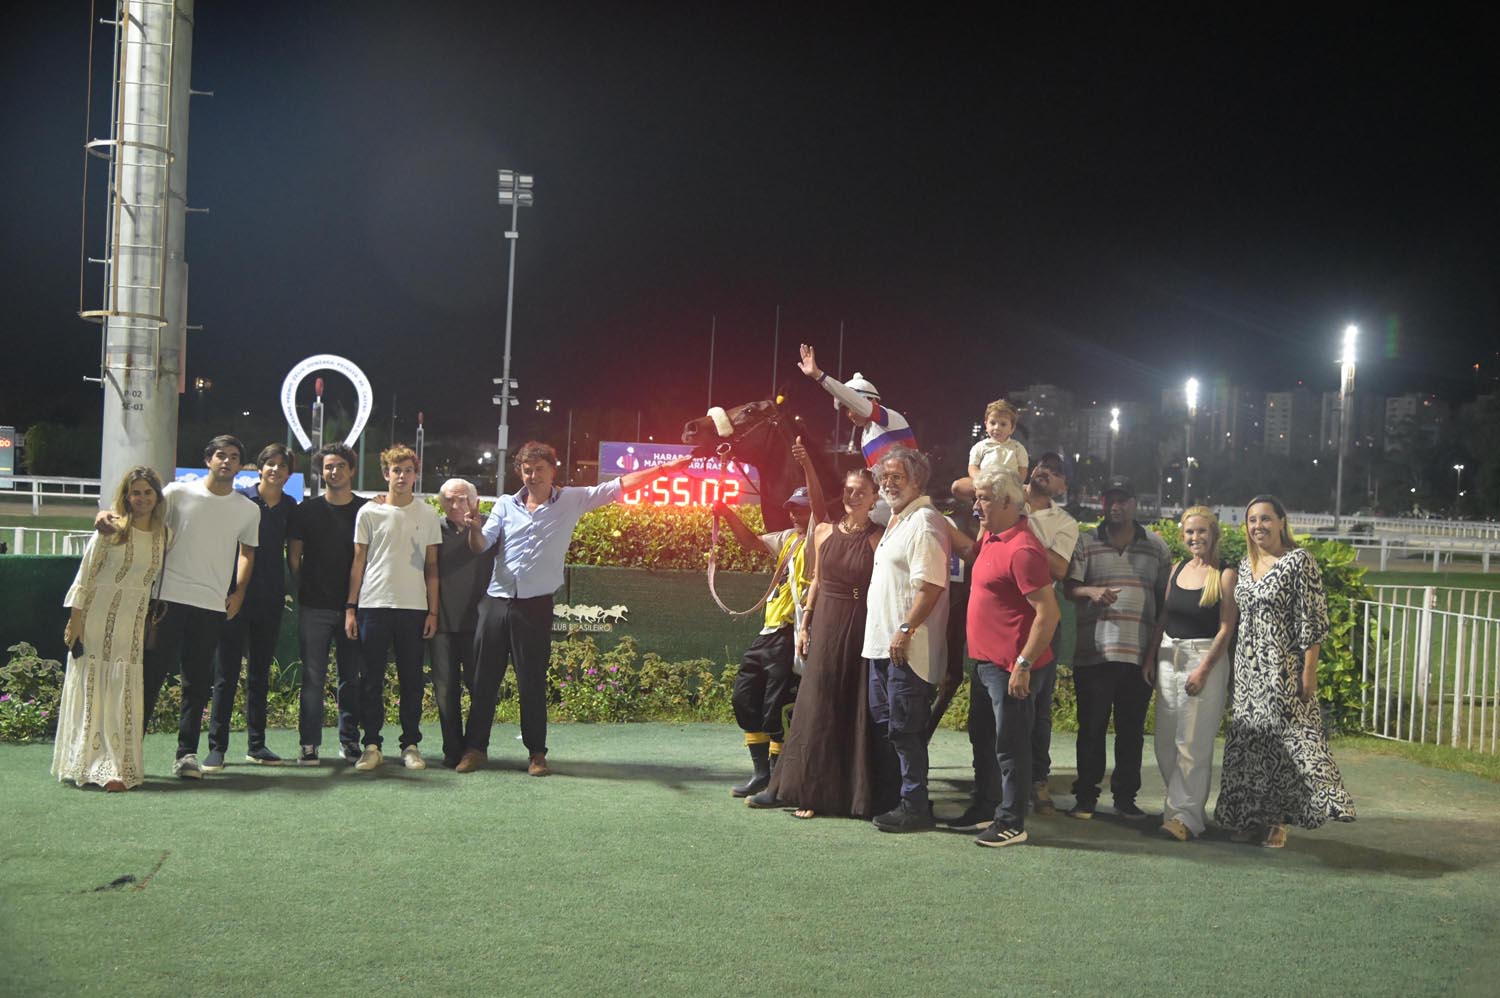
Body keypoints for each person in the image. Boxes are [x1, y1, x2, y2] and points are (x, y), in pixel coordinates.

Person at [459, 442, 693, 776]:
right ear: (520, 472)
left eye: (540, 469)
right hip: (496, 603)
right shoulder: (504, 505)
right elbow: (481, 546)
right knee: (483, 680)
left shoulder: (572, 499)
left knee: (531, 682)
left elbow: (619, 486)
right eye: (527, 470)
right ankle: (475, 749)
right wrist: (473, 529)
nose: (533, 476)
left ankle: (536, 754)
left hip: (535, 607)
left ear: (553, 470)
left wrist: (665, 470)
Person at [111, 436, 260, 779]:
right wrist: (110, 517)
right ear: (208, 459)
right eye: (220, 455)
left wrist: (238, 592)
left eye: (233, 457)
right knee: (149, 678)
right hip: (166, 601)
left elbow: (247, 553)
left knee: (196, 684)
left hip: (210, 606)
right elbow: (143, 519)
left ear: (240, 466)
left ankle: (186, 755)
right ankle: (127, 753)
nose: (226, 461)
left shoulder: (248, 510)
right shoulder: (177, 493)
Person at [1215, 495, 1355, 848]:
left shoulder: (1298, 561)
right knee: (1249, 745)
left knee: (1284, 745)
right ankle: (1249, 818)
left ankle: (1279, 821)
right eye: (1252, 520)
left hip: (1282, 668)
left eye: (1265, 519)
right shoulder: (1245, 564)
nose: (1258, 526)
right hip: (1247, 672)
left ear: (1281, 521)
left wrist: (1309, 672)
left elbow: (1312, 621)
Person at [950, 451, 1077, 827]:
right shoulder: (991, 536)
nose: (976, 505)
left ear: (1008, 502)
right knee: (984, 740)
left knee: (1011, 746)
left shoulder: (1023, 549)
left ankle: (1011, 822)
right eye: (977, 498)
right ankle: (985, 807)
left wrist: (1023, 664)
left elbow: (1049, 614)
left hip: (1011, 666)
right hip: (985, 662)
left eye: (984, 499)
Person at [749, 469, 885, 818]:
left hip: (859, 623)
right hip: (824, 621)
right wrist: (805, 625)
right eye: (849, 490)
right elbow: (818, 582)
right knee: (815, 703)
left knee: (849, 703)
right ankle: (800, 788)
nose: (853, 496)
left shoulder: (878, 537)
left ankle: (841, 795)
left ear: (874, 498)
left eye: (861, 491)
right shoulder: (824, 531)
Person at [52, 467, 168, 791]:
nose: (142, 498)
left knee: (121, 689)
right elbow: (85, 574)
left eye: (148, 492)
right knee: (92, 688)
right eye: (136, 492)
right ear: (126, 496)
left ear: (157, 496)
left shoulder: (164, 535)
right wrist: (76, 621)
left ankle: (117, 766)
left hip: (131, 624)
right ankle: (86, 763)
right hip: (95, 618)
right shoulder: (110, 528)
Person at [1063, 474, 1171, 820]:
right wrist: (1091, 592)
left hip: (1138, 655)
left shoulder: (1156, 547)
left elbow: (1164, 603)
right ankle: (1086, 796)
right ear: (1103, 502)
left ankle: (1125, 798)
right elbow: (1069, 588)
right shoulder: (1086, 542)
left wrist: (1154, 654)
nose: (1116, 506)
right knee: (1091, 728)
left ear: (1134, 504)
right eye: (1110, 499)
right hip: (1094, 653)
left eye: (1123, 500)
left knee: (1131, 732)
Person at [864, 446, 950, 833]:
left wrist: (904, 630)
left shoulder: (925, 522)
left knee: (906, 731)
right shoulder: (898, 520)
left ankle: (915, 807)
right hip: (883, 647)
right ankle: (900, 800)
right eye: (884, 477)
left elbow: (930, 586)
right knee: (892, 729)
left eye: (897, 477)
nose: (888, 483)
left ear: (917, 480)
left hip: (907, 650)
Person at [717, 479, 819, 801]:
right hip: (768, 633)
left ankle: (777, 781)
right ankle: (761, 775)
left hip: (790, 633)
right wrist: (727, 513)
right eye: (792, 509)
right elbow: (750, 542)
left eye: (802, 509)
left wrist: (806, 466)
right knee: (744, 698)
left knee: (776, 709)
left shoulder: (818, 539)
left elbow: (819, 512)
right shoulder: (788, 538)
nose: (795, 514)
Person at [344, 444, 443, 772]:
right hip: (373, 605)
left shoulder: (428, 514)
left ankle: (410, 745)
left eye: (408, 471)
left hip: (414, 609)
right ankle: (371, 745)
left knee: (411, 681)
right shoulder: (368, 512)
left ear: (416, 475)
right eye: (396, 470)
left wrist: (432, 612)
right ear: (386, 474)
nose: (402, 476)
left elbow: (432, 567)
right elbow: (358, 562)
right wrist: (351, 608)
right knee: (371, 680)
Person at [203, 444, 298, 771]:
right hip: (234, 598)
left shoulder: (290, 506)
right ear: (259, 468)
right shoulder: (240, 499)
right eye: (270, 463)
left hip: (270, 600)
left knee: (259, 675)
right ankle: (217, 748)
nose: (275, 470)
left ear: (289, 473)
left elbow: (294, 552)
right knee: (226, 674)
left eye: (282, 466)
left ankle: (256, 745)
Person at [1146, 506, 1238, 841]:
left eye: (1201, 531)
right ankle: (1179, 808)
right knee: (1165, 742)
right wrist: (1150, 658)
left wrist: (1203, 670)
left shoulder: (1225, 575)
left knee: (1192, 743)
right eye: (1189, 532)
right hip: (1168, 656)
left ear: (1213, 534)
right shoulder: (1177, 569)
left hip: (1204, 659)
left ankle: (1185, 818)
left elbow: (1226, 628)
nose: (1195, 537)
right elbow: (1164, 618)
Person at [286, 443, 368, 766]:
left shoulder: (366, 510)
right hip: (315, 607)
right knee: (313, 679)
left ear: (351, 470)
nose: (334, 472)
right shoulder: (305, 511)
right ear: (321, 472)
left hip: (354, 608)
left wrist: (353, 603)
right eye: (328, 467)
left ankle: (349, 741)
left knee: (351, 678)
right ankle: (309, 744)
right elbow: (294, 558)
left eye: (340, 466)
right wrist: (308, 587)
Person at [797, 343, 915, 523]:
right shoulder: (866, 435)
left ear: (871, 401)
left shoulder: (889, 418)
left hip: (904, 497)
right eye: (845, 410)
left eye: (850, 407)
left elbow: (856, 401)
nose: (849, 415)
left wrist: (819, 376)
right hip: (886, 497)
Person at [430, 478, 494, 768]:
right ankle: (452, 750)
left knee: (480, 688)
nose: (455, 505)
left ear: (474, 500)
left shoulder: (490, 527)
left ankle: (476, 748)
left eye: (461, 498)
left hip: (480, 624)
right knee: (445, 691)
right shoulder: (433, 528)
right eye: (449, 499)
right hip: (442, 624)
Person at [951, 399, 1029, 502]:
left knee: (1029, 493)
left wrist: (1016, 484)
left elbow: (1022, 470)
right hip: (985, 485)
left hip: (1008, 487)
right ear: (986, 424)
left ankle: (999, 500)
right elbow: (973, 467)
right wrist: (981, 480)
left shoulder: (1017, 448)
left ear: (1012, 429)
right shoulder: (980, 447)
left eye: (1003, 424)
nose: (997, 427)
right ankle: (980, 500)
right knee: (957, 486)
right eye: (992, 423)